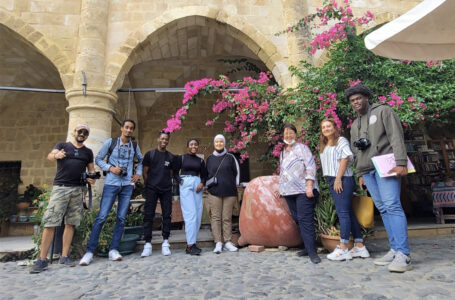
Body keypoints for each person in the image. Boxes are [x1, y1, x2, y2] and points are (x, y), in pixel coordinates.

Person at [347, 84, 411, 272]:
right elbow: (355, 151)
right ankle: (394, 249)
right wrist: (360, 174)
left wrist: (401, 162)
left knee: (392, 205)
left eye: (359, 98)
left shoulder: (383, 111)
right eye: (352, 101)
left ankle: (403, 254)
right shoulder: (354, 125)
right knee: (383, 208)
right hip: (367, 170)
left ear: (367, 97)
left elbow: (395, 137)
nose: (356, 102)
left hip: (386, 163)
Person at [30, 124, 96, 273]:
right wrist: (56, 155)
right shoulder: (62, 145)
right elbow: (50, 156)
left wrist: (92, 178)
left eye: (85, 133)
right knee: (51, 222)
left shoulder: (88, 152)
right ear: (75, 132)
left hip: (78, 190)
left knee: (71, 223)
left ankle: (64, 256)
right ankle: (42, 259)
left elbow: (91, 170)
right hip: (61, 188)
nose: (82, 134)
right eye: (80, 131)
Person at [80, 119, 143, 265]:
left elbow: (140, 160)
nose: (128, 130)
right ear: (121, 128)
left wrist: (138, 173)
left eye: (131, 128)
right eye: (126, 127)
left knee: (121, 218)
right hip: (111, 183)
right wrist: (111, 168)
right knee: (102, 216)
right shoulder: (111, 142)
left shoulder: (134, 145)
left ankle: (113, 249)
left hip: (127, 185)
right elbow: (99, 159)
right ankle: (89, 252)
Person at [319, 119, 370, 261]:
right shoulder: (324, 144)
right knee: (348, 212)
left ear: (335, 127)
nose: (326, 129)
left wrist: (338, 179)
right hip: (332, 180)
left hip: (341, 180)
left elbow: (345, 158)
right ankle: (360, 246)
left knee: (343, 214)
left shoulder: (341, 141)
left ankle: (343, 248)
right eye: (323, 127)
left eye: (329, 126)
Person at [279, 124, 321, 264]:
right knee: (298, 219)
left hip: (304, 190)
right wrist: (281, 189)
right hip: (289, 192)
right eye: (286, 133)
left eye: (291, 133)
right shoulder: (283, 151)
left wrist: (309, 185)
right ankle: (308, 247)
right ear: (283, 135)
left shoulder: (303, 148)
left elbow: (310, 166)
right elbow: (283, 171)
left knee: (305, 219)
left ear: (296, 135)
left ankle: (312, 253)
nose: (288, 135)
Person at [141, 131, 179, 257]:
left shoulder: (171, 157)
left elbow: (172, 173)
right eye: (162, 138)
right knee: (149, 215)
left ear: (168, 141)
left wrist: (165, 183)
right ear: (158, 139)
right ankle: (147, 243)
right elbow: (145, 172)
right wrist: (149, 184)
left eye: (166, 139)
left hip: (166, 189)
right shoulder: (150, 155)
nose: (164, 141)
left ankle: (165, 242)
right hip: (152, 188)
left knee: (167, 215)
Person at [206, 134, 240, 254]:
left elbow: (236, 172)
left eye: (221, 142)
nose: (219, 144)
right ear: (214, 144)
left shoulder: (230, 157)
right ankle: (218, 242)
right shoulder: (210, 158)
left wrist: (234, 185)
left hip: (229, 192)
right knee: (215, 218)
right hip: (214, 192)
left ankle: (228, 242)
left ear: (224, 143)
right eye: (217, 142)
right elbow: (207, 174)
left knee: (227, 218)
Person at [175, 138, 208, 255]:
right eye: (191, 144)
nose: (193, 146)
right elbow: (174, 172)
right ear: (187, 146)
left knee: (198, 214)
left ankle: (192, 244)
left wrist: (202, 183)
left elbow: (204, 175)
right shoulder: (181, 158)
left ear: (197, 147)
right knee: (191, 214)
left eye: (195, 144)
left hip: (197, 185)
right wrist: (180, 180)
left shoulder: (200, 161)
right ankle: (190, 245)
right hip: (186, 183)